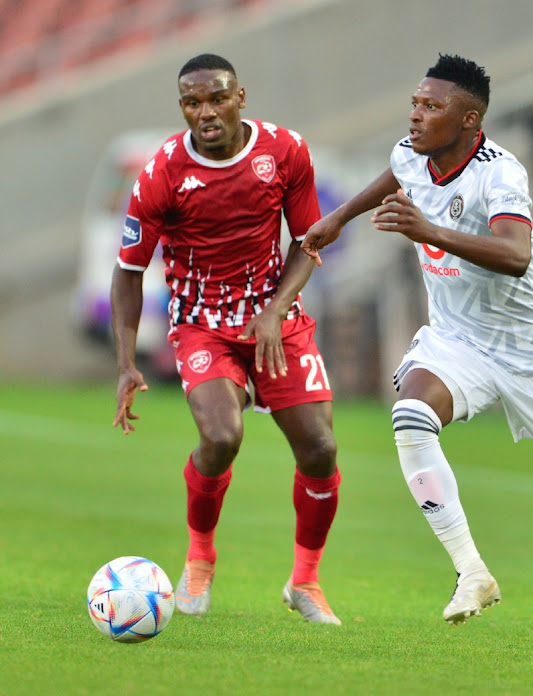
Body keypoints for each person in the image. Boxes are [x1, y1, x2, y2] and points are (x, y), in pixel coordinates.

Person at [302, 54, 533, 662]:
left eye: (432, 106)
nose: (416, 113)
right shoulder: (412, 152)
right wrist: (337, 219)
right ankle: (471, 570)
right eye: (416, 101)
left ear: (469, 119)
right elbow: (397, 175)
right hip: (457, 340)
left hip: (531, 352)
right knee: (410, 415)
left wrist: (428, 232)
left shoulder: (501, 174)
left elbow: (515, 255)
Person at [110, 53, 342, 625]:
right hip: (201, 325)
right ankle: (199, 559)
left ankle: (306, 582)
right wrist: (125, 361)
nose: (205, 112)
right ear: (183, 108)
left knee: (321, 449)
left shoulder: (285, 150)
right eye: (192, 102)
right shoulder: (161, 172)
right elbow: (127, 270)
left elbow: (308, 240)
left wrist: (276, 309)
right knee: (221, 435)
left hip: (276, 320)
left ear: (241, 96)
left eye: (216, 98)